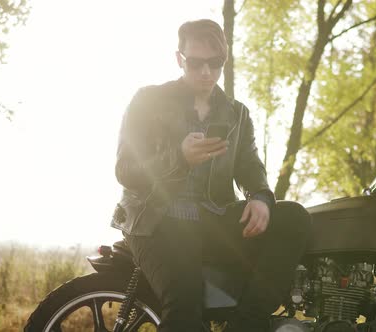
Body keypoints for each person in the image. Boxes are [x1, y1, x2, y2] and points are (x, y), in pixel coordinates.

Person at [110, 19, 312, 332]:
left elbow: (250, 166)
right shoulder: (148, 101)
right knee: (185, 309)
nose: (206, 72)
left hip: (212, 219)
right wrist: (179, 158)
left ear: (224, 60)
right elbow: (125, 170)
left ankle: (247, 325)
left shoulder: (237, 113)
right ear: (179, 59)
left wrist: (260, 197)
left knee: (295, 217)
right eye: (195, 63)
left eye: (215, 63)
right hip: (157, 221)